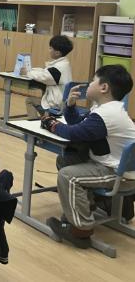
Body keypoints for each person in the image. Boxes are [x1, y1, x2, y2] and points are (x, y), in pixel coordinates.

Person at [41, 65, 135, 249]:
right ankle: (85, 206)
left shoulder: (106, 114)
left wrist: (50, 123)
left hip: (120, 175)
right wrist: (70, 105)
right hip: (119, 168)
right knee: (66, 160)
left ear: (104, 87)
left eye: (93, 80)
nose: (89, 84)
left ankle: (80, 230)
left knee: (68, 176)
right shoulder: (108, 108)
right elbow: (79, 125)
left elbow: (72, 133)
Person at [22, 35, 73, 119]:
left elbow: (44, 77)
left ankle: (33, 126)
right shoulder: (64, 64)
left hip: (55, 104)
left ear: (57, 52)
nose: (49, 50)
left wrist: (28, 73)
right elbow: (45, 72)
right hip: (63, 102)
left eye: (50, 48)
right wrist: (31, 70)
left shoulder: (57, 68)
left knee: (29, 100)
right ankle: (45, 119)